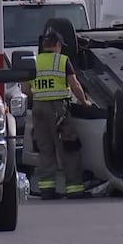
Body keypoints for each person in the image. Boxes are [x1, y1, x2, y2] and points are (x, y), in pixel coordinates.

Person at [22, 30, 92, 200]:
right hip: (58, 109)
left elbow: (25, 88)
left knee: (45, 149)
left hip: (38, 109)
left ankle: (47, 189)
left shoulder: (34, 61)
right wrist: (84, 102)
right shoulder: (62, 61)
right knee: (69, 147)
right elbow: (74, 85)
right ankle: (74, 189)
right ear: (58, 45)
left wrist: (37, 99)